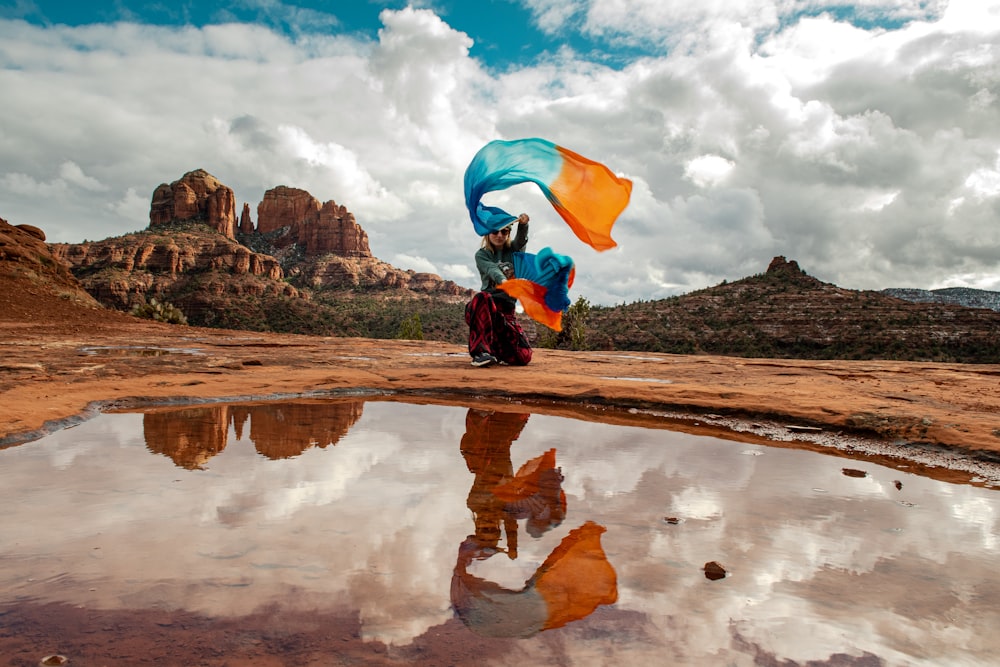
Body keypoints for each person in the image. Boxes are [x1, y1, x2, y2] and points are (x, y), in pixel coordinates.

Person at [465, 213, 533, 367]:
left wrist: (523, 224)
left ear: (508, 233)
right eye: (495, 231)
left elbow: (521, 240)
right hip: (484, 307)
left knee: (523, 357)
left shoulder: (514, 251)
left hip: (506, 310)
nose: (499, 235)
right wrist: (504, 281)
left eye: (504, 232)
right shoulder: (482, 254)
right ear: (488, 233)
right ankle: (480, 353)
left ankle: (495, 350)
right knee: (483, 297)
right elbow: (492, 269)